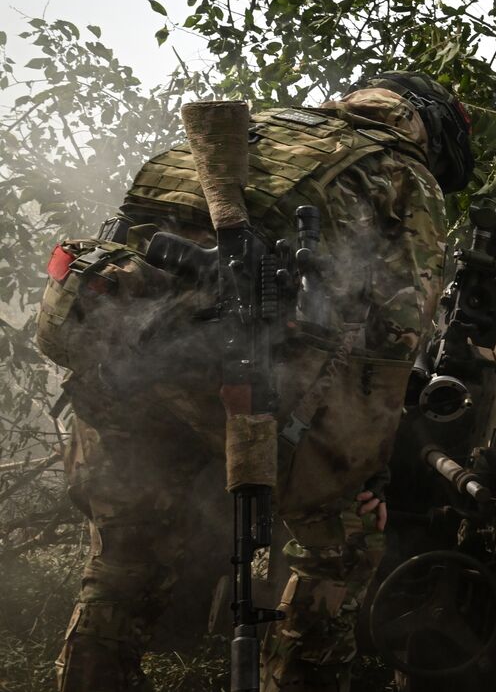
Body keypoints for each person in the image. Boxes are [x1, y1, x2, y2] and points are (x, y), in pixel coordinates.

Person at [41, 73, 470, 691]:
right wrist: (366, 470)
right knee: (340, 546)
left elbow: (125, 234)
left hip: (122, 361)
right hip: (245, 378)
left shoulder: (257, 130)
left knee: (123, 562)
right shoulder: (402, 174)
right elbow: (396, 334)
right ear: (429, 130)